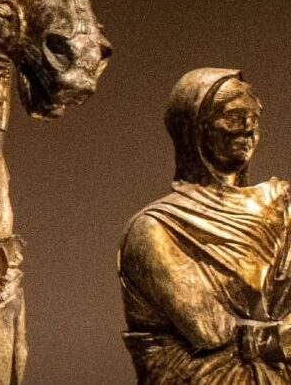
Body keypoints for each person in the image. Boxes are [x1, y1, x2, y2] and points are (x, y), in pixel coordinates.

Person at [118, 68, 291, 384]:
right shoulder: (154, 228)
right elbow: (208, 329)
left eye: (254, 117)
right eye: (233, 115)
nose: (248, 127)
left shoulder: (280, 208)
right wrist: (277, 334)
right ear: (193, 129)